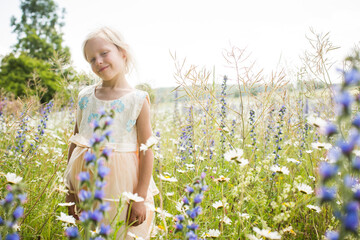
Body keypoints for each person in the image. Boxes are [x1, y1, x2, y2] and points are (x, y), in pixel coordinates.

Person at [64, 26, 159, 239]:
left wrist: (140, 198)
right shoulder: (85, 97)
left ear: (122, 52)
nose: (98, 61)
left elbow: (147, 150)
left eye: (104, 53)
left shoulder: (137, 99)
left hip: (124, 189)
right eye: (91, 59)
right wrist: (70, 191)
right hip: (86, 184)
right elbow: (75, 143)